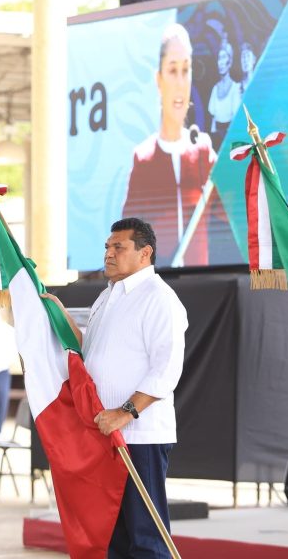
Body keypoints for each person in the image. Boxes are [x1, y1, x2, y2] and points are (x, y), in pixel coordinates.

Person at [48, 217, 187, 558]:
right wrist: (57, 315)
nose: (109, 254)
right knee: (112, 536)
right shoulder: (106, 296)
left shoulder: (159, 298)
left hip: (138, 436)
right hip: (103, 433)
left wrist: (125, 413)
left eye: (118, 247)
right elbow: (90, 352)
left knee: (146, 537)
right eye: (107, 247)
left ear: (145, 253)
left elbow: (167, 367)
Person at [122, 22, 223, 268]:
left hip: (202, 283)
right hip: (157, 282)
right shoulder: (143, 158)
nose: (180, 82)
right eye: (172, 70)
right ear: (159, 79)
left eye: (186, 70)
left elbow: (230, 217)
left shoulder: (202, 152)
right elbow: (127, 234)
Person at [207, 32, 241, 150]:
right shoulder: (215, 89)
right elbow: (213, 121)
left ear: (230, 62)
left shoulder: (235, 88)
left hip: (230, 142)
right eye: (219, 58)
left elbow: (235, 122)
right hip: (216, 142)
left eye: (224, 57)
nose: (221, 62)